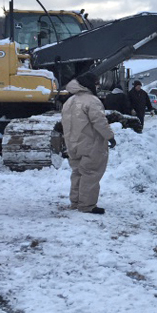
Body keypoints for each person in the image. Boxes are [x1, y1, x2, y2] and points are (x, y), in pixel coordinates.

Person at [61, 73, 116, 215]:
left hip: (72, 144)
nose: (97, 86)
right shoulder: (92, 101)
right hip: (90, 143)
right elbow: (99, 122)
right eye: (96, 83)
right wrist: (110, 136)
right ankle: (87, 205)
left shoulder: (69, 101)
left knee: (77, 172)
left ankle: (76, 202)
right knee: (90, 173)